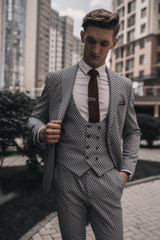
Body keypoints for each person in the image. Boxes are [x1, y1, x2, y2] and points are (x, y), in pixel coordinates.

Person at [29, 9, 141, 240]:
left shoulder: (124, 85)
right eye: (90, 41)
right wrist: (40, 131)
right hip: (67, 178)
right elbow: (34, 117)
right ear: (82, 36)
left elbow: (132, 132)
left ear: (114, 42)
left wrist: (125, 172)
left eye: (103, 43)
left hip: (108, 180)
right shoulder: (57, 79)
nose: (96, 50)